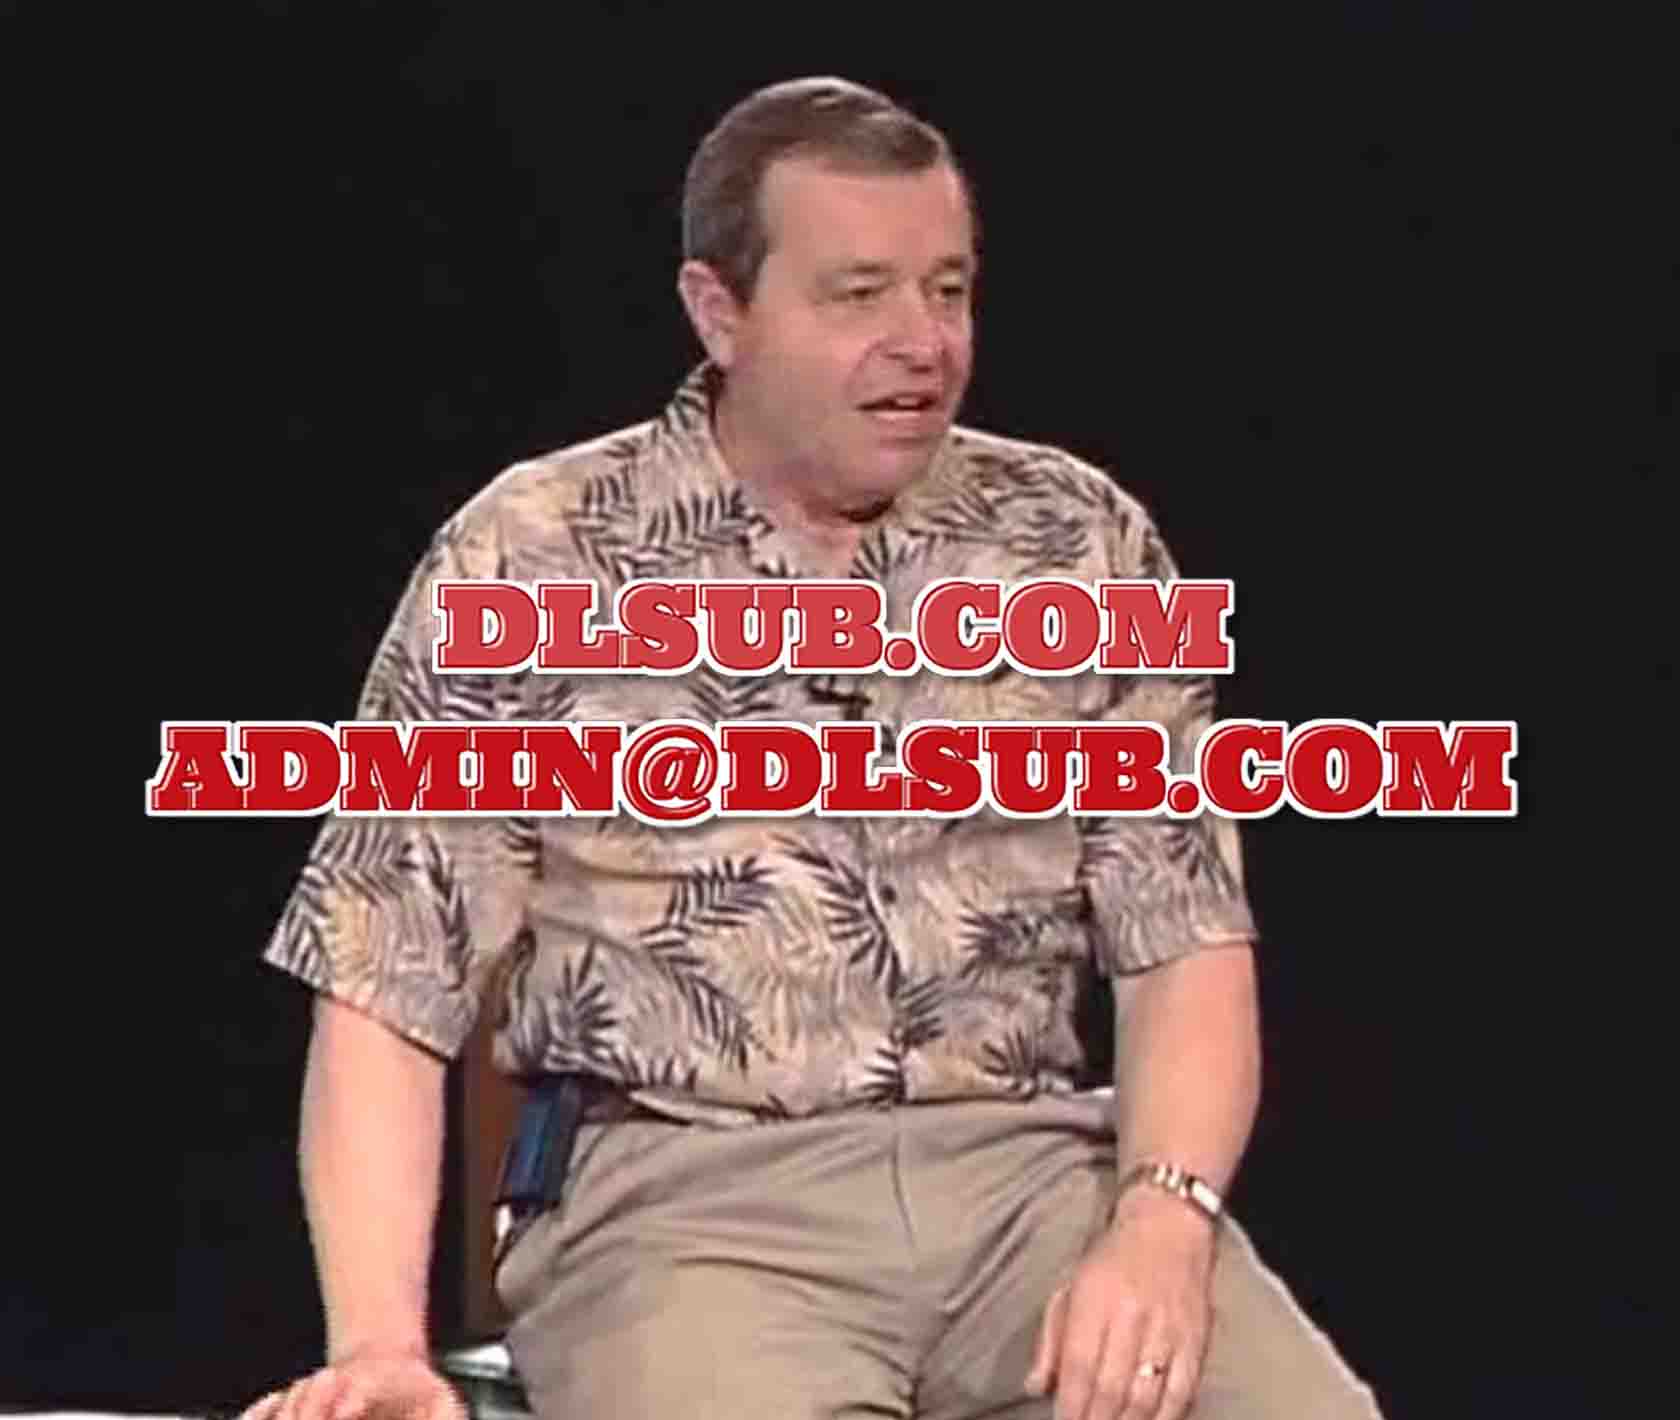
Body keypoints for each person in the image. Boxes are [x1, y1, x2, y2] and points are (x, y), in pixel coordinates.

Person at [244, 77, 1385, 1420]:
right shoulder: (536, 552)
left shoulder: (1077, 539)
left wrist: (1163, 1221)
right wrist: (378, 1344)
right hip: (688, 1211)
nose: (924, 344)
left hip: (1031, 1189)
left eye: (948, 290)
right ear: (718, 312)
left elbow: (1184, 940)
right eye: (859, 296)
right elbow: (383, 975)